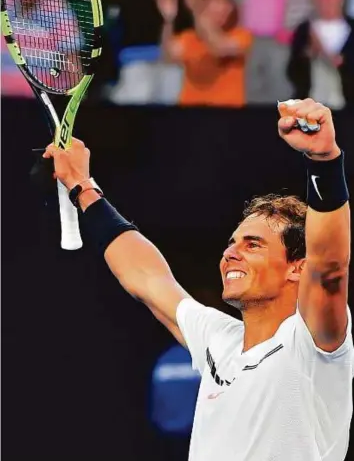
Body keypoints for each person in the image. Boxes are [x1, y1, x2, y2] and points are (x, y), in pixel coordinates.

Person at [44, 98, 353, 461]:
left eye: (253, 245)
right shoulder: (218, 341)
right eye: (231, 243)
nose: (230, 254)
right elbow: (147, 278)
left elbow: (330, 267)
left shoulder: (312, 343)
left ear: (297, 267)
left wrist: (324, 161)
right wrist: (82, 185)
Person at [156, 0, 252, 106]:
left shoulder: (242, 35)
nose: (222, 8)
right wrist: (169, 21)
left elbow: (219, 48)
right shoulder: (190, 38)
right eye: (216, 1)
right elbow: (168, 56)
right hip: (192, 114)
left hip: (227, 114)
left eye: (227, 3)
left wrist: (197, 9)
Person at [287, 0, 354, 109]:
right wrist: (307, 56)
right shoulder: (304, 30)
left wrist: (344, 63)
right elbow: (292, 71)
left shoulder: (351, 28)